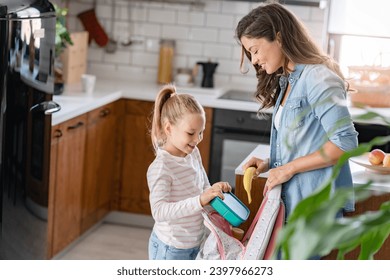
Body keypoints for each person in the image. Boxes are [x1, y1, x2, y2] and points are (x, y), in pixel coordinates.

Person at [236, 3, 358, 220]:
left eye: (254, 50)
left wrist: (288, 169)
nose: (254, 60)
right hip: (292, 201)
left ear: (279, 38)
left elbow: (345, 143)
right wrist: (270, 163)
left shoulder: (318, 78)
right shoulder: (288, 80)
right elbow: (305, 143)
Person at [147, 84, 231, 260]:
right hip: (170, 248)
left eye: (201, 133)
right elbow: (160, 212)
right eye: (191, 133)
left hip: (194, 243)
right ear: (169, 128)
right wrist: (200, 200)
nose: (197, 140)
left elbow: (203, 187)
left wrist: (213, 191)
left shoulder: (192, 153)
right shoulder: (161, 167)